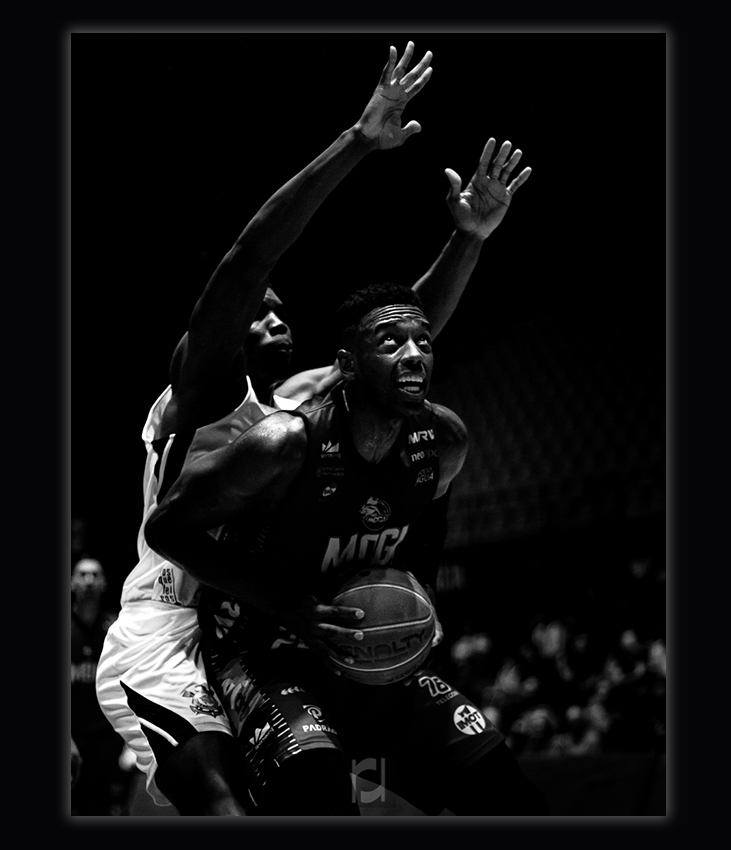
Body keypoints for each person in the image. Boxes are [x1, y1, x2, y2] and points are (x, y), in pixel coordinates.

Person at [96, 40, 531, 816]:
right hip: (172, 617)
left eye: (280, 309)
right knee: (226, 805)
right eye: (258, 309)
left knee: (321, 793)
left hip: (260, 626)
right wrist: (358, 142)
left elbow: (396, 341)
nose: (272, 313)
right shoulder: (206, 387)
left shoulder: (298, 404)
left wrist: (467, 239)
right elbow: (249, 255)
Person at [145, 282, 548, 816]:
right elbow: (166, 531)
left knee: (505, 789)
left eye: (423, 341)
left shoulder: (443, 439)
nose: (413, 355)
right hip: (263, 655)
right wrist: (290, 606)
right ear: (348, 365)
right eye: (390, 342)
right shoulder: (283, 443)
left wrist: (423, 588)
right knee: (324, 793)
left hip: (367, 659)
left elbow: (430, 519)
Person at [71, 558, 135, 815]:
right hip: (71, 736)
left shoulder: (117, 630)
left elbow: (133, 685)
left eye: (94, 575)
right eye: (82, 574)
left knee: (102, 811)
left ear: (104, 584)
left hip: (108, 741)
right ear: (71, 583)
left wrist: (131, 743)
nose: (88, 581)